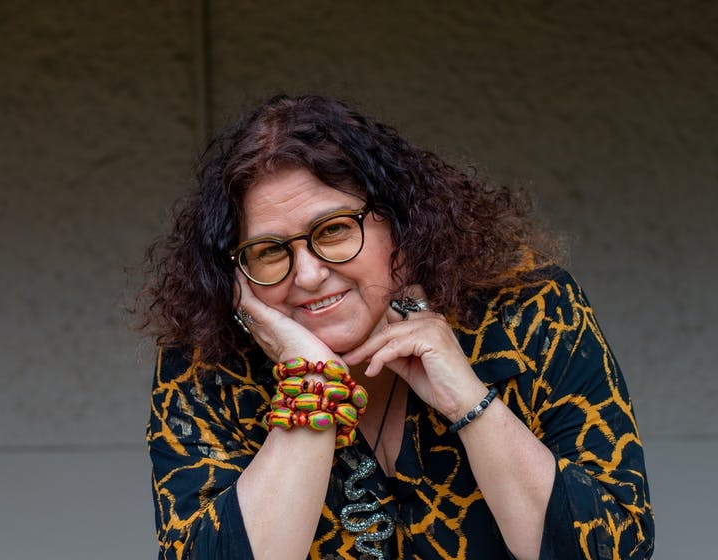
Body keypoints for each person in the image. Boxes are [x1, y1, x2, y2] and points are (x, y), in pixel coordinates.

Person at [137, 94, 654, 560]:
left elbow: (613, 550)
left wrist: (467, 401)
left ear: (400, 225)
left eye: (335, 230)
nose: (310, 274)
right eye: (270, 251)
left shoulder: (527, 313)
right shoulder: (209, 362)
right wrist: (313, 386)